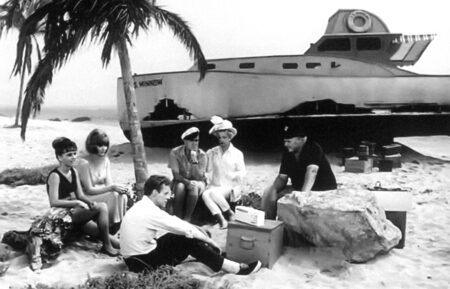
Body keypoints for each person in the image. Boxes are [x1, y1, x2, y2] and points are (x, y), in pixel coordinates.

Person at [120, 175, 261, 275]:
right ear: (154, 192)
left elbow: (176, 223)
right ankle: (233, 268)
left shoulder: (142, 205)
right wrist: (210, 241)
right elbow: (184, 228)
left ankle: (213, 255)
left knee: (180, 235)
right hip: (142, 263)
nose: (169, 197)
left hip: (133, 259)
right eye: (166, 193)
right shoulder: (150, 211)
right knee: (187, 239)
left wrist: (197, 230)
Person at [41, 137, 119, 257]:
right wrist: (76, 203)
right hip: (61, 215)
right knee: (102, 207)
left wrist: (89, 202)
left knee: (113, 240)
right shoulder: (55, 176)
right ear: (60, 157)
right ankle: (106, 247)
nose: (73, 157)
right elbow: (53, 202)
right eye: (69, 155)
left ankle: (108, 243)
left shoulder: (73, 172)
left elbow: (81, 195)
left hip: (76, 214)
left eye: (74, 154)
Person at [261, 124, 337, 219]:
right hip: (298, 189)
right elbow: (282, 177)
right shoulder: (288, 153)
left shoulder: (313, 148)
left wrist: (303, 194)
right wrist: (274, 189)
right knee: (268, 192)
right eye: (285, 141)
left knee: (298, 203)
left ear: (302, 139)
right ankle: (270, 225)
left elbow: (312, 171)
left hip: (321, 189)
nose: (286, 144)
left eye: (289, 141)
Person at [77, 129, 128, 232]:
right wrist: (112, 188)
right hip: (84, 197)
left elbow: (109, 184)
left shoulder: (105, 160)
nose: (103, 149)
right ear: (92, 145)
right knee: (113, 195)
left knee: (122, 196)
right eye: (99, 145)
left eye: (105, 145)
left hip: (94, 194)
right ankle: (108, 226)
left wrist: (119, 188)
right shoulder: (84, 163)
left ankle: (119, 226)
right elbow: (88, 190)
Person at [202, 116, 246, 229]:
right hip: (216, 185)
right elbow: (207, 170)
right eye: (219, 137)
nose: (221, 140)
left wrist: (233, 176)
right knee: (206, 194)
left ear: (230, 138)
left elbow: (242, 172)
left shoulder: (237, 153)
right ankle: (222, 219)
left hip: (230, 186)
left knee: (213, 193)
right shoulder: (213, 152)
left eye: (224, 137)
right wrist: (207, 157)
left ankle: (230, 214)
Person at [168, 127, 207, 221]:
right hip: (180, 180)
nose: (195, 143)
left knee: (194, 186)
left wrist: (194, 162)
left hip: (199, 182)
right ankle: (177, 216)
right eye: (191, 140)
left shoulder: (202, 155)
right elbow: (176, 175)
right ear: (185, 141)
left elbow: (199, 177)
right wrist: (187, 182)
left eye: (197, 140)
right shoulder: (175, 152)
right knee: (180, 187)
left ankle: (187, 218)